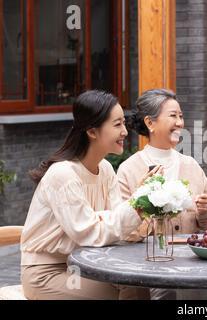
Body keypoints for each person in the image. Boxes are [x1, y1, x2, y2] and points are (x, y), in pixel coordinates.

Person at [21, 90, 151, 300]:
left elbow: (118, 225)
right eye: (117, 124)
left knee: (138, 284)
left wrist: (139, 208)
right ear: (92, 132)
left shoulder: (106, 169)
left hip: (88, 264)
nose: (125, 132)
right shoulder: (63, 174)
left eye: (124, 124)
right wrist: (134, 205)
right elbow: (89, 232)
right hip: (47, 273)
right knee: (110, 293)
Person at [117, 89, 207, 241]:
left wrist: (205, 213)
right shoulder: (128, 170)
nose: (180, 122)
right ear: (150, 122)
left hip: (188, 262)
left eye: (181, 116)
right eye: (173, 116)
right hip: (146, 261)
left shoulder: (192, 166)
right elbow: (122, 229)